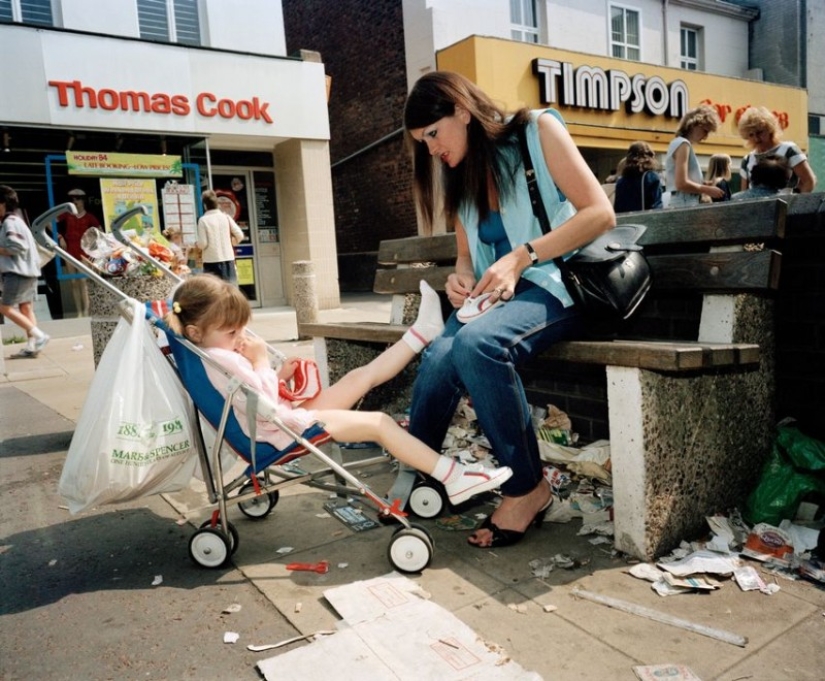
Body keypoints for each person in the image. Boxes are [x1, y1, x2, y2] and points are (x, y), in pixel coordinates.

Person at [402, 71, 614, 549]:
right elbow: (465, 254)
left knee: (478, 346)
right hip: (493, 301)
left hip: (556, 286)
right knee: (438, 357)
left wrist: (524, 255)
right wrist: (458, 280)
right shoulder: (459, 173)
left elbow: (600, 212)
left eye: (433, 134)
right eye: (423, 142)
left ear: (461, 109)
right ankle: (427, 477)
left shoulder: (536, 131)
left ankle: (526, 488)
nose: (432, 149)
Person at [165, 273, 513, 507]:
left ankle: (422, 332)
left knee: (359, 378)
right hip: (281, 431)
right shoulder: (223, 359)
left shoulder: (207, 353)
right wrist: (259, 362)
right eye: (232, 333)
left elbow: (252, 397)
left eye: (241, 329)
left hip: (280, 423)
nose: (241, 339)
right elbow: (262, 401)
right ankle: (453, 477)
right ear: (196, 332)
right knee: (376, 423)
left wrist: (274, 374)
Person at [0, 185, 50, 357]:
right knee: (26, 309)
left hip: (18, 272)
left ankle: (40, 336)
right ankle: (32, 346)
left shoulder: (9, 223)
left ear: (2, 204)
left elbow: (17, 246)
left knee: (5, 308)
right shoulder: (18, 220)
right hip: (30, 272)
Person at [737, 105, 817, 193]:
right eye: (751, 135)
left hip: (786, 205)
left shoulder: (789, 150)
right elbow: (744, 192)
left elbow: (809, 181)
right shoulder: (747, 159)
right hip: (757, 206)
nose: (756, 138)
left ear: (770, 129)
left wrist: (798, 205)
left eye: (760, 132)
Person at [664, 104, 725, 208]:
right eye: (705, 131)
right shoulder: (684, 144)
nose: (705, 137)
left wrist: (702, 184)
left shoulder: (678, 143)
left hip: (680, 200)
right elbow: (681, 183)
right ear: (694, 124)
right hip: (685, 201)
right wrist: (707, 189)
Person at [57, 188, 100, 317]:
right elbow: (50, 223)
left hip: (83, 251)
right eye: (73, 200)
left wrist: (92, 243)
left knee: (82, 281)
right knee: (73, 282)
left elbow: (99, 230)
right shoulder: (67, 215)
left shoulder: (89, 217)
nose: (76, 202)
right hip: (70, 250)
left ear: (83, 201)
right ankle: (79, 311)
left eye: (78, 200)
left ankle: (86, 310)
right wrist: (59, 237)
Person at [196, 190, 245, 284]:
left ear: (205, 205)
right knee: (230, 290)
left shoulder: (203, 220)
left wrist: (196, 244)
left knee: (215, 292)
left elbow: (203, 244)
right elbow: (240, 235)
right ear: (217, 204)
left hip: (211, 261)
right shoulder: (226, 217)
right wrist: (231, 242)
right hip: (228, 260)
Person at [613, 141, 663, 212]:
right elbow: (656, 206)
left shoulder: (621, 181)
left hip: (626, 221)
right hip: (644, 220)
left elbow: (617, 208)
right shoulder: (651, 177)